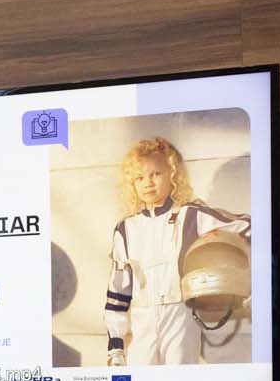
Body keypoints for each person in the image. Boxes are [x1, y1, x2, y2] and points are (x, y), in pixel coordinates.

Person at [103, 138, 250, 368]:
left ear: (172, 174)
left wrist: (231, 253)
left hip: (180, 315)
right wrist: (116, 345)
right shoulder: (126, 229)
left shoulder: (190, 214)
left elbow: (247, 226)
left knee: (180, 379)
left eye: (155, 174)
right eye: (139, 178)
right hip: (142, 319)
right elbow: (118, 290)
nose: (148, 183)